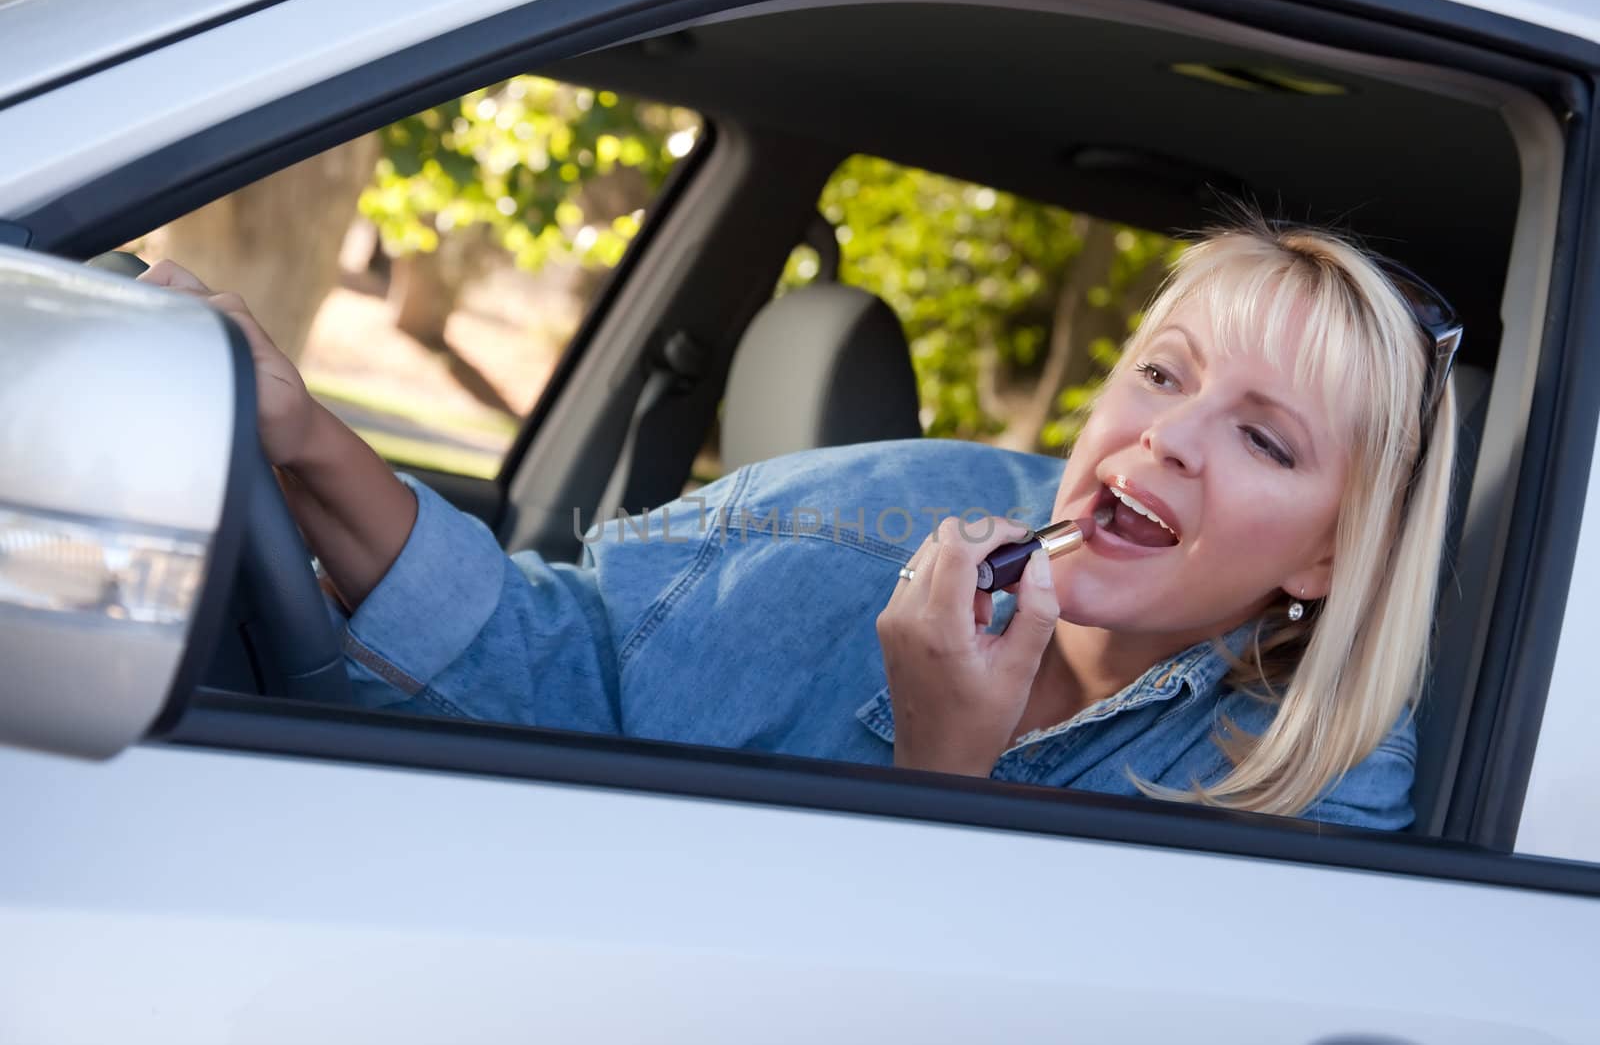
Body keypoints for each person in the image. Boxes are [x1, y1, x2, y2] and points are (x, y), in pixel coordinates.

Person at [140, 213, 1460, 830]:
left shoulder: (1323, 791)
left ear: (1328, 555)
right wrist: (303, 433)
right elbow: (574, 658)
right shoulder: (895, 514)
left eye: (1264, 435)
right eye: (1163, 375)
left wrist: (940, 766)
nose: (1168, 433)